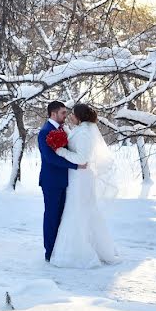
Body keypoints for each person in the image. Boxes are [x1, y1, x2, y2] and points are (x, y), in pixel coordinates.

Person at [48, 103, 119, 268]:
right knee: (81, 210)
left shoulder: (85, 132)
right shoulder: (82, 130)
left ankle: (79, 253)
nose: (70, 116)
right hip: (77, 177)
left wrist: (60, 151)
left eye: (72, 114)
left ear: (79, 116)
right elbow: (76, 142)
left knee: (78, 210)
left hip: (80, 178)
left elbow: (82, 159)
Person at [39, 101, 87, 262]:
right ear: (53, 114)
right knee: (52, 217)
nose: (66, 116)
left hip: (64, 181)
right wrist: (75, 165)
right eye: (63, 113)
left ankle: (58, 250)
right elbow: (50, 158)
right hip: (51, 182)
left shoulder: (61, 130)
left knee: (60, 216)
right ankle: (49, 252)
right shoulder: (45, 131)